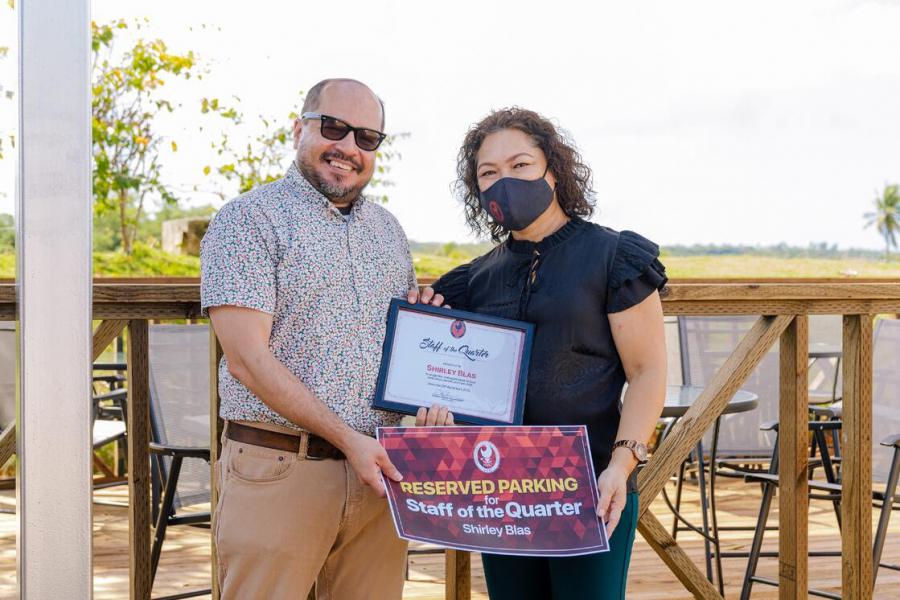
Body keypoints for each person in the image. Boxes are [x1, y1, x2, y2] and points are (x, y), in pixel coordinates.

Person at [201, 78, 448, 600]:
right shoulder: (248, 219)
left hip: (379, 478)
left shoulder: (388, 231)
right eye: (333, 127)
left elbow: (397, 348)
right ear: (299, 129)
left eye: (367, 137)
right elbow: (246, 360)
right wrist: (348, 440)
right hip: (283, 470)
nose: (348, 148)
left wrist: (426, 332)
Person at [432, 107, 668, 600]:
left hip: (591, 483)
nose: (505, 182)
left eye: (520, 165)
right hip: (500, 487)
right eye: (488, 173)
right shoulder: (472, 281)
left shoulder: (614, 257)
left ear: (553, 171)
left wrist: (621, 467)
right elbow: (453, 375)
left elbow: (648, 372)